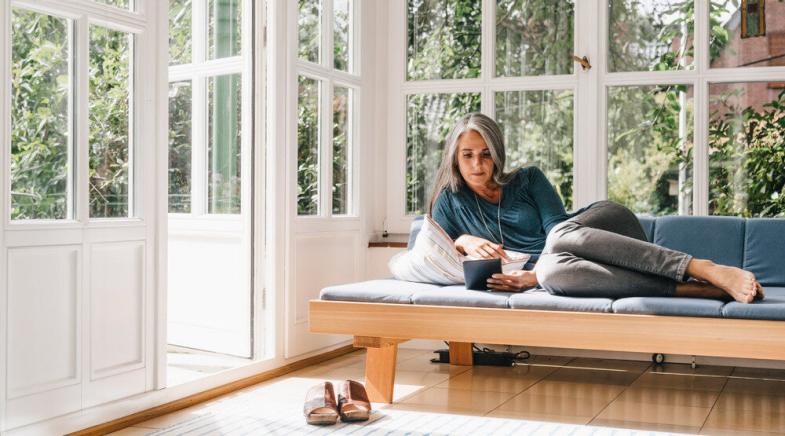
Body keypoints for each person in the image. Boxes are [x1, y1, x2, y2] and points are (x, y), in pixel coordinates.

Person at [429, 112, 763, 303]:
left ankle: (702, 268)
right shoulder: (449, 200)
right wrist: (463, 241)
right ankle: (694, 289)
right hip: (571, 266)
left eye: (485, 154)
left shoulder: (528, 179)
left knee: (557, 243)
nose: (477, 163)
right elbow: (431, 249)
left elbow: (559, 233)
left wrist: (532, 274)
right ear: (455, 159)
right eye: (467, 155)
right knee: (553, 273)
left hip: (605, 228)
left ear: (497, 153)